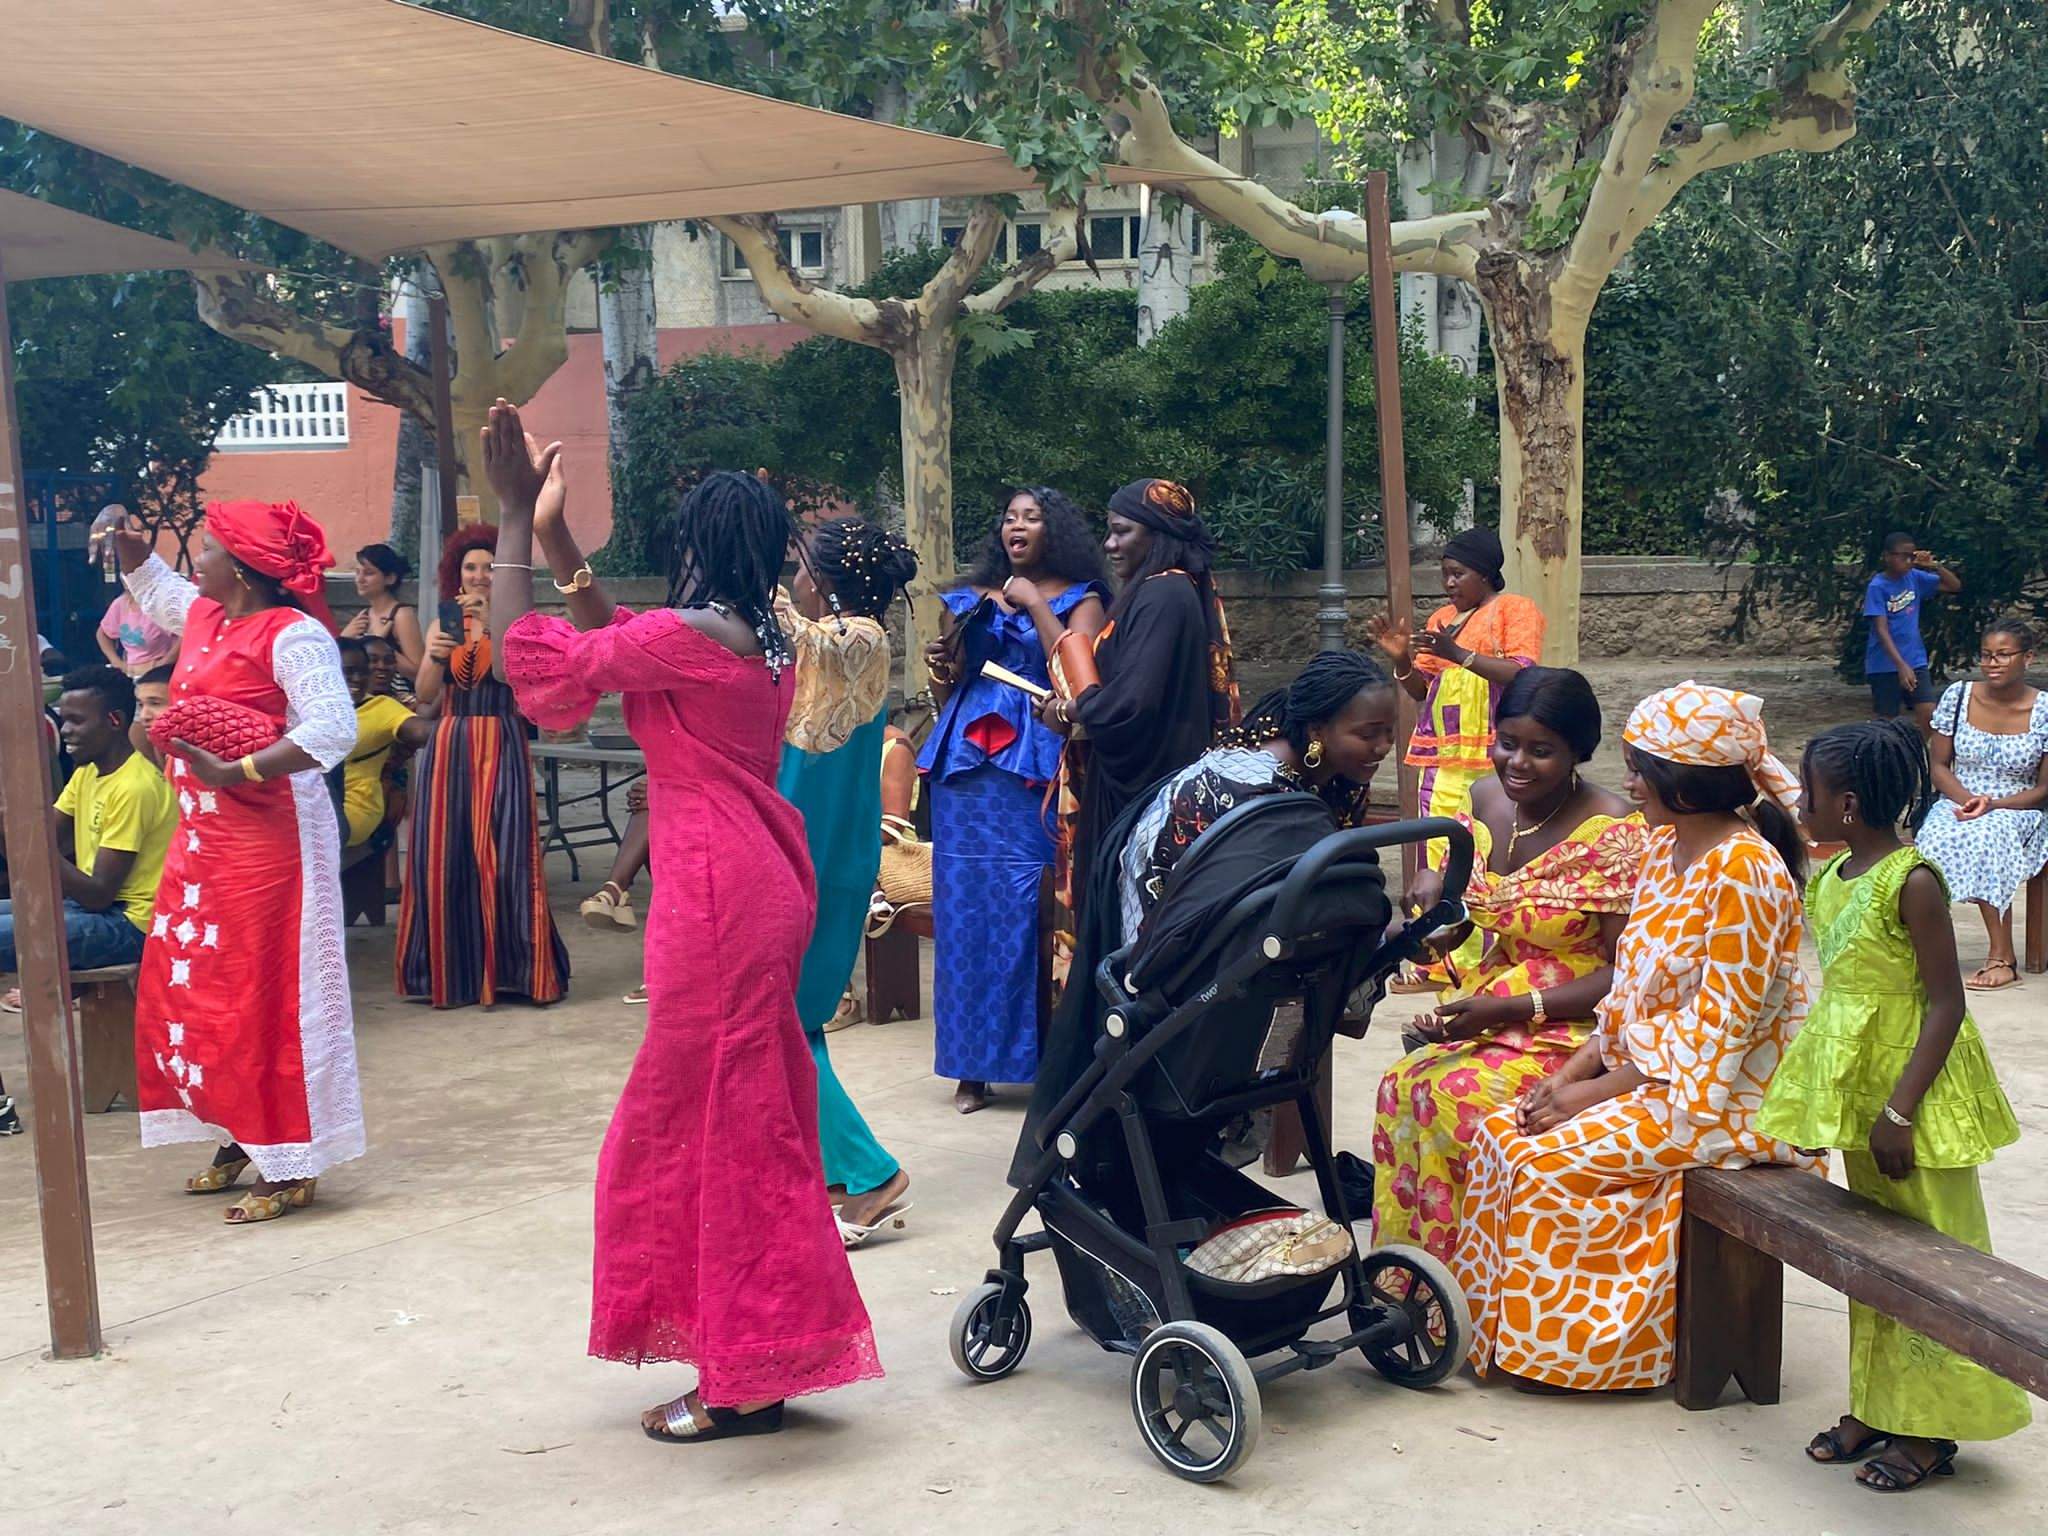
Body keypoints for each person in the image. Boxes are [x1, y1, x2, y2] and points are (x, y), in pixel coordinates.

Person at [482, 400, 879, 1444]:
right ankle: (755, 1353)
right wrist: (562, 536)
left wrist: (513, 524)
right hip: (751, 886)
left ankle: (745, 1378)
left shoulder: (696, 636)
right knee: (736, 1126)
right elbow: (619, 638)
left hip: (715, 899)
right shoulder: (749, 635)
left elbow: (531, 673)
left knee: (725, 1134)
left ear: (691, 551)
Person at [1453, 681, 1813, 1390]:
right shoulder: (1664, 848)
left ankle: (1575, 1357)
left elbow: (1722, 1035)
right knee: (1502, 1132)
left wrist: (1592, 1095)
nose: (1630, 783)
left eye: (1643, 769)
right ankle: (1499, 1338)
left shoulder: (1746, 872)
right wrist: (1571, 1073)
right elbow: (1625, 992)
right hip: (1655, 1080)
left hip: (1728, 1102)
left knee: (1546, 1162)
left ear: (1691, 779)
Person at [1758, 720, 2027, 1491]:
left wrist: (1901, 1110)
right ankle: (1881, 1405)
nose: (1800, 803)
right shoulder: (1834, 872)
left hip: (1916, 1095)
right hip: (1860, 1088)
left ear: (1845, 804)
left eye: (1809, 793)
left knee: (1938, 1258)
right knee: (1874, 1259)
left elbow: (1947, 1005)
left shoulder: (1912, 879)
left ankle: (1934, 1427)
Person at [1016, 650, 1395, 1186]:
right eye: (1368, 734)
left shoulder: (1312, 786)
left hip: (1226, 966)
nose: (1382, 749)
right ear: (1317, 728)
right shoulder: (1241, 789)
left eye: (1389, 734)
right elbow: (1151, 900)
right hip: (1175, 973)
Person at [103, 500, 366, 1224]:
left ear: (244, 571)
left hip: (273, 840)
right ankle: (242, 1134)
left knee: (272, 994)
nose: (200, 561)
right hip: (205, 836)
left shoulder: (294, 635)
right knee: (200, 988)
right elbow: (161, 590)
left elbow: (332, 729)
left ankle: (294, 1155)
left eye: (212, 549)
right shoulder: (208, 617)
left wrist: (239, 771)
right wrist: (131, 552)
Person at [1372, 668, 1644, 1263]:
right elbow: (1465, 903)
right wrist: (1431, 908)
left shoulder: (1615, 831)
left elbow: (1627, 974)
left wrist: (1511, 1009)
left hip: (1574, 1030)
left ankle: (1480, 1287)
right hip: (1490, 1002)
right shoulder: (1484, 798)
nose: (1517, 762)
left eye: (1541, 751)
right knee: (1399, 1086)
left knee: (1446, 1095)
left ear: (1579, 751)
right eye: (1507, 743)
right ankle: (1412, 1278)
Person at [921, 486, 1110, 1113]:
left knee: (1037, 907)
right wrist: (942, 668)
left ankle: (1047, 1063)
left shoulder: (1083, 598)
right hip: (968, 770)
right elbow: (948, 687)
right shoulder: (970, 598)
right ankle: (970, 1068)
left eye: (1030, 517)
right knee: (965, 908)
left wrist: (1033, 606)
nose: (1016, 527)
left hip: (1039, 761)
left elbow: (1077, 671)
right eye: (1009, 517)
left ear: (1055, 529)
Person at [1040, 478, 1236, 1015]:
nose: (1110, 545)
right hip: (1154, 787)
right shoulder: (1177, 590)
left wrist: (1069, 710)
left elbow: (1130, 706)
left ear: (1159, 536)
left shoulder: (1162, 594)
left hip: (1136, 794)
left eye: (1122, 531)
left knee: (1121, 932)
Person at [775, 517, 919, 1239]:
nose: (794, 578)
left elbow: (798, 630)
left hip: (820, 852)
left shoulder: (860, 637)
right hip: (806, 840)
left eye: (801, 566)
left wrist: (746, 558)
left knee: (783, 1021)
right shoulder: (832, 637)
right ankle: (838, 1171)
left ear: (825, 579)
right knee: (798, 1018)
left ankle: (871, 1175)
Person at [396, 523, 569, 1009]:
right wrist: (434, 652)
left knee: (506, 847)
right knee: (446, 854)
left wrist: (492, 624)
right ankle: (454, 973)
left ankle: (517, 971)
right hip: (450, 742)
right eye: (470, 567)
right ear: (458, 572)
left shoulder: (518, 620)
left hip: (504, 737)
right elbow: (427, 696)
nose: (479, 575)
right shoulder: (447, 620)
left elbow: (519, 682)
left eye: (489, 566)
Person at [0, 668, 175, 1063]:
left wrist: (31, 842)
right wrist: (15, 827)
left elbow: (97, 893)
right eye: (63, 721)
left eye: (77, 721)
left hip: (129, 923)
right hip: (92, 907)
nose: (66, 732)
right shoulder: (88, 773)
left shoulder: (134, 787)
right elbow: (47, 841)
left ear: (114, 721)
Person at [1371, 526, 1547, 828]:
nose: (1449, 583)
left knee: (1493, 828)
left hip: (1497, 747)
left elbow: (1520, 672)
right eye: (1445, 575)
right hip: (1445, 753)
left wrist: (1458, 655)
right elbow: (1422, 691)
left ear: (1484, 573)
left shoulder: (1514, 608)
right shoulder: (1441, 618)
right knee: (1438, 831)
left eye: (1458, 574)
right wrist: (1401, 659)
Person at [1913, 617, 2047, 991]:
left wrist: (1995, 805)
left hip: (2019, 808)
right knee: (1928, 845)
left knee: (1988, 836)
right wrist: (1968, 799)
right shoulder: (1958, 696)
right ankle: (1924, 950)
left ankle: (2003, 957)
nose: (1993, 663)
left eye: (2004, 655)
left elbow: (2043, 789)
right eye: (1987, 655)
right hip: (1958, 798)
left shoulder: (2045, 710)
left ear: (2028, 658)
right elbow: (1938, 765)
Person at [335, 638, 433, 853]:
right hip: (311, 804)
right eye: (349, 671)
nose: (358, 679)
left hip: (355, 808)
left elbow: (421, 729)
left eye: (362, 672)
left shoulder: (382, 707)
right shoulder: (306, 709)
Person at [1862, 532, 1961, 729]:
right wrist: (1901, 666)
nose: (1908, 561)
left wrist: (1934, 566)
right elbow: (1881, 630)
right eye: (1903, 555)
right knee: (1887, 721)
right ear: (1887, 556)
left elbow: (1954, 586)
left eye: (1912, 556)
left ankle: (1923, 754)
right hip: (1885, 664)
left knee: (1929, 713)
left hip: (1915, 659)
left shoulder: (1914, 578)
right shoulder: (1878, 586)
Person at [339, 542, 426, 682]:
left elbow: (419, 672)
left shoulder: (401, 615)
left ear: (390, 578)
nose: (360, 579)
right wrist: (345, 639)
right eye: (357, 572)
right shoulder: (364, 616)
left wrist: (381, 644)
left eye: (368, 573)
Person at [96, 584, 177, 678]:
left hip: (159, 674)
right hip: (129, 672)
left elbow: (184, 636)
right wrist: (116, 662)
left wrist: (163, 664)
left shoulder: (162, 605)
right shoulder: (120, 603)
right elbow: (102, 634)